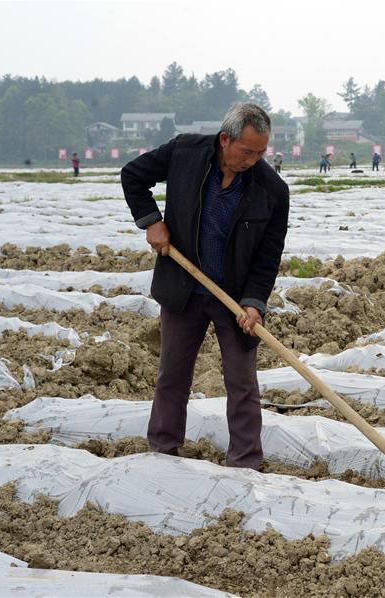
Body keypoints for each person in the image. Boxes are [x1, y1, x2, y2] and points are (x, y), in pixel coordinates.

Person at [121, 102, 289, 470]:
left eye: (261, 152)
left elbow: (267, 256)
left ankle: (246, 461)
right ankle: (163, 449)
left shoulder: (272, 190)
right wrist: (151, 220)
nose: (254, 160)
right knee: (173, 374)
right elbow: (132, 175)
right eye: (247, 151)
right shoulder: (185, 153)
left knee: (242, 382)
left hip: (234, 298)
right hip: (183, 288)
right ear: (225, 139)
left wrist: (254, 302)